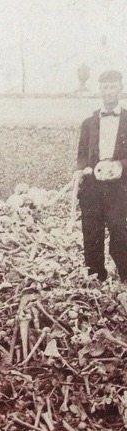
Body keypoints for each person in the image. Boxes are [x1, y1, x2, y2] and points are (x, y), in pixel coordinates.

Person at [76, 69, 127, 283]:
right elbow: (81, 155)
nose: (109, 92)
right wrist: (84, 168)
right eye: (105, 87)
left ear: (121, 89)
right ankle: (96, 275)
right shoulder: (89, 122)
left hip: (120, 187)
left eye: (113, 87)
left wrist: (121, 165)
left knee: (120, 229)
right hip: (93, 186)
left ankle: (125, 274)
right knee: (91, 231)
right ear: (100, 90)